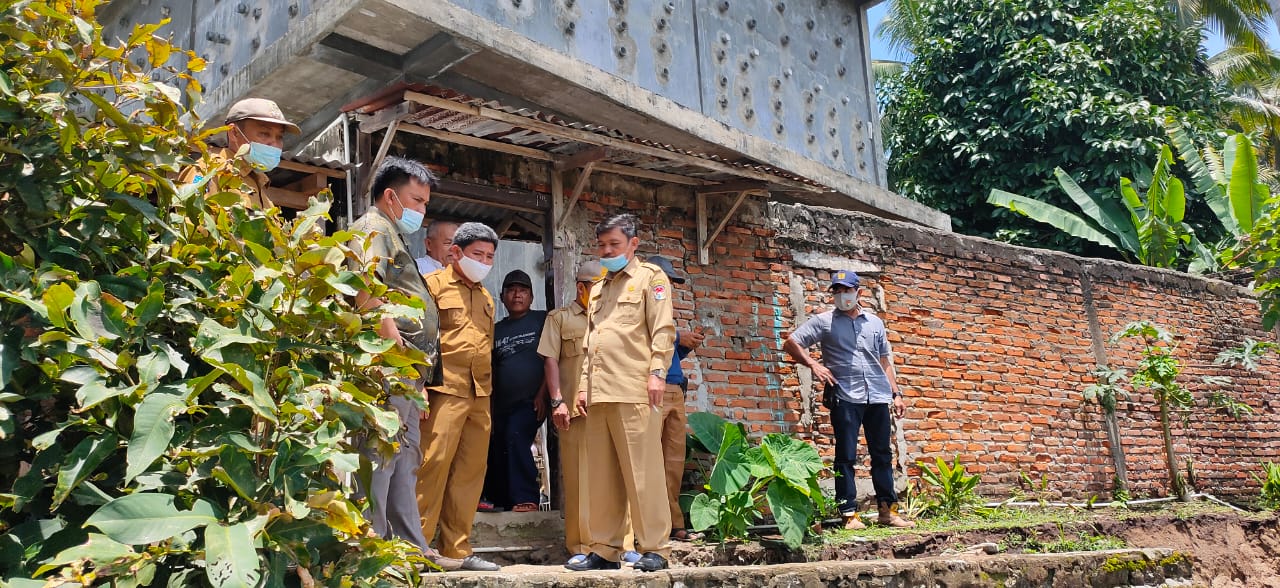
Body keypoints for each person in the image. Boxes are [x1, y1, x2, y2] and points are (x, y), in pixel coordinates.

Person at [346, 156, 460, 571]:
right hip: (389, 364)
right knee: (379, 457)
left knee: (403, 459)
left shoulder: (393, 234)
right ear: (391, 196)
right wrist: (395, 354)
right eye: (417, 201)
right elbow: (368, 293)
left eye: (426, 204)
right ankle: (371, 547)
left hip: (409, 370)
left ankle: (412, 548)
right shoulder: (373, 229)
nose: (422, 211)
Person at [567, 214, 675, 573]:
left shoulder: (651, 279)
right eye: (602, 245)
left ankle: (655, 547)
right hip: (600, 393)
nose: (607, 251)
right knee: (602, 476)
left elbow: (663, 330)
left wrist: (657, 373)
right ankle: (606, 549)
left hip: (635, 389)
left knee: (643, 473)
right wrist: (583, 388)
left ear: (633, 243)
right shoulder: (598, 289)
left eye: (614, 244)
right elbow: (589, 344)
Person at [782, 270, 916, 530]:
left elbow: (885, 360)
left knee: (882, 454)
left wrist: (896, 394)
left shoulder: (875, 323)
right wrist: (813, 365)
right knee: (845, 457)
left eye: (847, 290)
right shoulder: (824, 322)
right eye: (838, 291)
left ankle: (888, 511)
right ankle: (849, 514)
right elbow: (791, 342)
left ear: (859, 293)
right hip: (845, 396)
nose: (843, 296)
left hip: (877, 395)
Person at [416, 222, 503, 572]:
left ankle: (456, 550)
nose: (483, 261)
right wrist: (417, 384)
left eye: (489, 256)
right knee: (431, 466)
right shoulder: (432, 286)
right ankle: (416, 549)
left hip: (480, 394)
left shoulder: (485, 296)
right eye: (477, 254)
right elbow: (418, 339)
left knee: (470, 472)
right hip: (442, 389)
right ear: (456, 253)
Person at [536, 261, 603, 567]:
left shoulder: (613, 320)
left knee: (614, 478)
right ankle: (581, 544)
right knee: (577, 479)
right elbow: (550, 360)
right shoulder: (560, 319)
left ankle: (621, 543)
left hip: (610, 410)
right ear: (581, 288)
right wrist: (557, 401)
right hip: (574, 412)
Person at [644, 255, 706, 542]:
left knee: (673, 461)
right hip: (651, 392)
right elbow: (641, 340)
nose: (668, 287)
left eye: (670, 283)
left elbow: (669, 355)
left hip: (675, 390)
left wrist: (686, 345)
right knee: (649, 461)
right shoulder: (640, 307)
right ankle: (649, 525)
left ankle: (672, 522)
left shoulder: (666, 314)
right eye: (665, 281)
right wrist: (679, 337)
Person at [484, 269, 549, 513]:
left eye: (522, 290)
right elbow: (490, 369)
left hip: (531, 401)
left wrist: (543, 394)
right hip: (501, 403)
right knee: (497, 445)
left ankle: (527, 497)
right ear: (502, 297)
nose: (516, 295)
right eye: (511, 290)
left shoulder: (542, 321)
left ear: (531, 297)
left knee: (515, 435)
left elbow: (552, 358)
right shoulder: (496, 330)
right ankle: (502, 500)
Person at [178, 97, 297, 209]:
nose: (274, 144)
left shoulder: (262, 189)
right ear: (234, 133)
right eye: (264, 134)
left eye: (279, 137)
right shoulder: (208, 171)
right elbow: (194, 225)